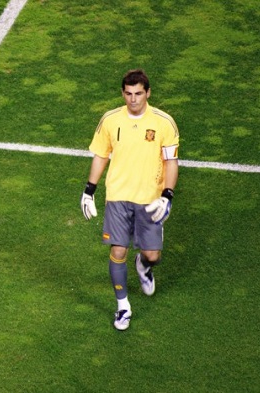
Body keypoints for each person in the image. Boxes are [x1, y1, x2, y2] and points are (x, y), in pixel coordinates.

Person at [80, 69, 179, 331]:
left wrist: (167, 196)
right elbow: (101, 155)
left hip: (149, 200)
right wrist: (89, 190)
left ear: (148, 93)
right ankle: (123, 307)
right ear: (122, 93)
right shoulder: (111, 121)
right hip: (118, 197)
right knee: (118, 250)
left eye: (138, 93)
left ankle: (144, 266)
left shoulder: (164, 123)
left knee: (153, 255)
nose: (133, 99)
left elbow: (171, 161)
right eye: (128, 94)